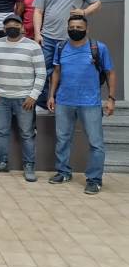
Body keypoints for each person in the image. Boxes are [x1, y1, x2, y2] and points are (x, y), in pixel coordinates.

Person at [47, 15, 116, 195]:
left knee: (96, 143)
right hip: (64, 101)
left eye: (79, 27)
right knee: (63, 139)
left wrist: (111, 98)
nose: (75, 30)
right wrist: (51, 95)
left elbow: (110, 73)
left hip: (90, 103)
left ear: (87, 29)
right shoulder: (61, 47)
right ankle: (63, 172)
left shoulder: (98, 48)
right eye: (72, 27)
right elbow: (56, 72)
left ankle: (94, 179)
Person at [33, 0, 101, 108]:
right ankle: (43, 103)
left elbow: (97, 3)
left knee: (66, 71)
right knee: (43, 71)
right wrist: (37, 34)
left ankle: (62, 102)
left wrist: (84, 12)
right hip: (47, 37)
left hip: (71, 39)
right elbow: (38, 11)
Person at [0, 14, 46, 182]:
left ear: (22, 27)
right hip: (0, 99)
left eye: (16, 25)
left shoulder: (33, 46)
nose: (13, 28)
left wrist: (33, 96)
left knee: (26, 134)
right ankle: (1, 162)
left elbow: (41, 73)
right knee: (1, 131)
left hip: (25, 100)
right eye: (9, 26)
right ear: (4, 29)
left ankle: (29, 166)